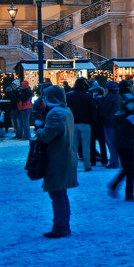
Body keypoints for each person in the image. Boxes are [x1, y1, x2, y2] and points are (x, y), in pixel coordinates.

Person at [37, 85, 78, 238]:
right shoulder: (66, 111)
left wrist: (39, 130)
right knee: (61, 194)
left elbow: (47, 135)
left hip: (57, 158)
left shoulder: (55, 114)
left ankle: (60, 227)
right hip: (65, 156)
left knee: (57, 194)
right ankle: (63, 225)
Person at [107, 92, 134, 201]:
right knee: (130, 171)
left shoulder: (132, 115)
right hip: (122, 145)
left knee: (127, 170)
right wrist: (129, 122)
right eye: (129, 104)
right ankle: (128, 194)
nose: (132, 106)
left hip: (129, 144)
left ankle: (115, 187)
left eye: (133, 104)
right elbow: (119, 130)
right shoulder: (120, 116)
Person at [65, 78, 95, 172]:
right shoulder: (88, 96)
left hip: (72, 123)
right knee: (86, 145)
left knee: (73, 146)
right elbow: (93, 110)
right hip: (85, 123)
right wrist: (92, 121)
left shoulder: (68, 95)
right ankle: (87, 165)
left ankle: (73, 164)